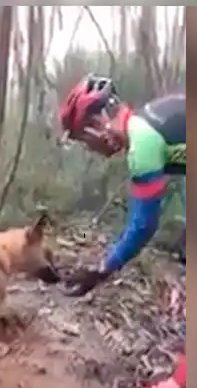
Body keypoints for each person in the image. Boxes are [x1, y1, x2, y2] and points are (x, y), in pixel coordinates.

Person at [58, 74, 186, 296]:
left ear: (97, 125)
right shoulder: (147, 121)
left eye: (84, 141)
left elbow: (143, 226)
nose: (90, 149)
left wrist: (101, 272)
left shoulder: (143, 144)